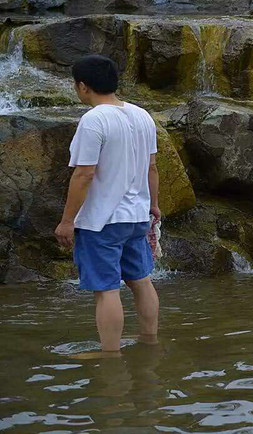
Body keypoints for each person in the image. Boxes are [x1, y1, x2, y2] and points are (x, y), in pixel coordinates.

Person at [54, 55, 160, 354]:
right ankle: (150, 341)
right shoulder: (142, 115)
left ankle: (110, 355)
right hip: (136, 216)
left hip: (101, 220)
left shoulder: (94, 120)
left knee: (106, 290)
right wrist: (154, 205)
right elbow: (152, 167)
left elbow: (84, 174)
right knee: (141, 281)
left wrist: (67, 221)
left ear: (83, 86)